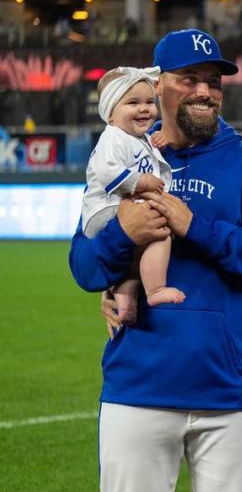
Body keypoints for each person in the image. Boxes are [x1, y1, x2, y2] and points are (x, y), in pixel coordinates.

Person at [69, 28, 242, 492]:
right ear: (158, 85)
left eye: (213, 82)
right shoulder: (123, 154)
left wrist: (195, 227)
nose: (204, 92)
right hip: (139, 382)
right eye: (189, 80)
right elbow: (84, 267)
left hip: (232, 391)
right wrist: (124, 233)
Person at [81, 66, 183, 324]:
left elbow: (146, 160)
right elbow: (105, 172)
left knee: (137, 255)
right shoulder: (113, 137)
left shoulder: (136, 137)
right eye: (133, 103)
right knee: (161, 230)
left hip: (112, 208)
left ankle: (125, 296)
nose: (144, 108)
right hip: (106, 209)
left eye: (149, 102)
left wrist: (155, 141)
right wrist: (139, 182)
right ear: (110, 114)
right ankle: (156, 289)